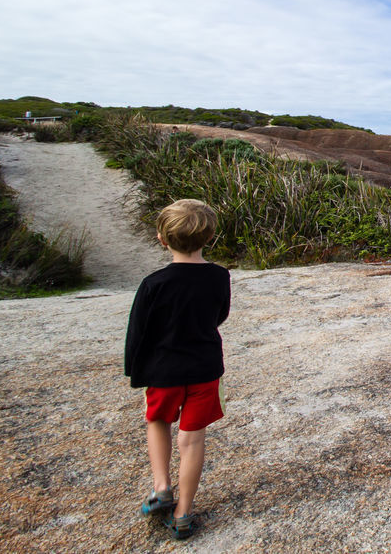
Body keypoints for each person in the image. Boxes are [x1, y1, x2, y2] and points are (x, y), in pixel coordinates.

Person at [124, 199, 231, 541]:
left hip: (162, 370)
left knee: (157, 421)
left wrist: (135, 371)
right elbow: (220, 315)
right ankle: (184, 513)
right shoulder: (219, 276)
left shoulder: (154, 283)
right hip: (205, 369)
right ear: (209, 237)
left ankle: (161, 488)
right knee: (193, 438)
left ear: (162, 239)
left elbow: (138, 331)